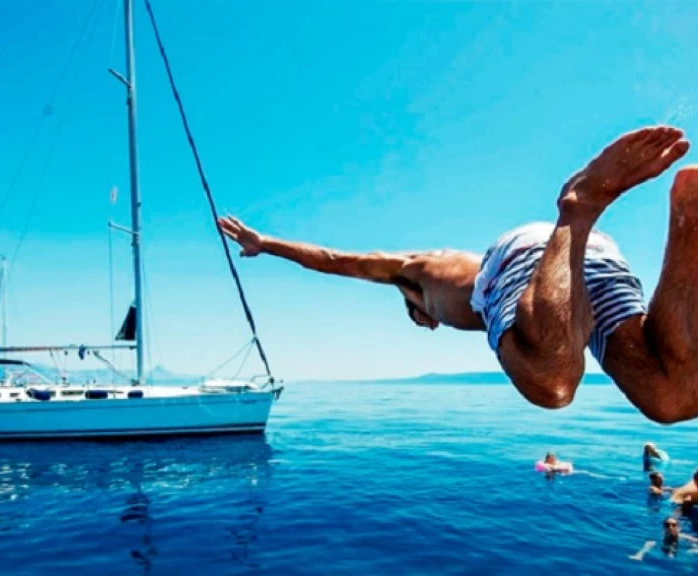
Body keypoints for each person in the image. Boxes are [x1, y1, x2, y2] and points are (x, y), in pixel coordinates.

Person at [219, 125, 697, 424]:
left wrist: (266, 245)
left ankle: (578, 207)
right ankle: (689, 219)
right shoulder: (443, 280)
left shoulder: (415, 270)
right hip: (585, 260)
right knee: (670, 396)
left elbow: (331, 259)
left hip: (527, 258)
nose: (427, 323)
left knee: (553, 382)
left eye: (420, 317)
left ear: (413, 300)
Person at [629, 517, 698, 560]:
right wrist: (639, 555)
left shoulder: (684, 537)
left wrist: (693, 550)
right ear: (664, 528)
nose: (670, 527)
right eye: (667, 525)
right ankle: (638, 555)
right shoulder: (660, 537)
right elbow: (650, 543)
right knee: (651, 543)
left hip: (681, 552)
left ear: (678, 528)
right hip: (666, 548)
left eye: (674, 525)